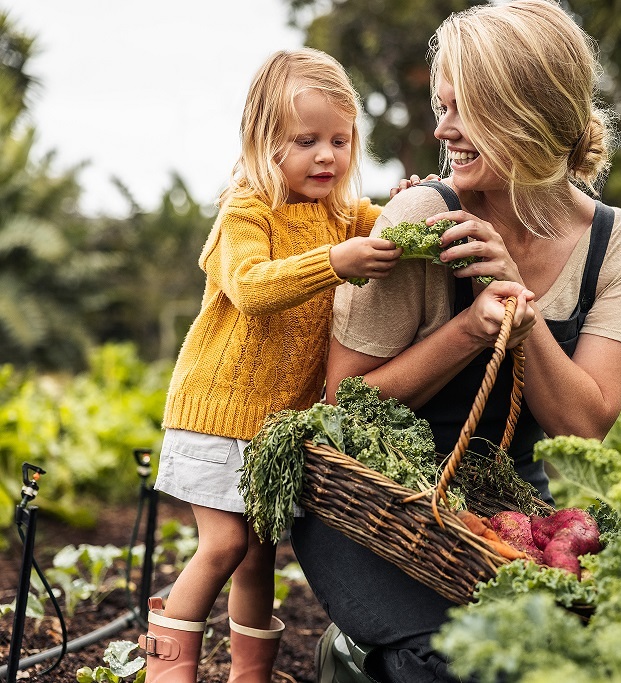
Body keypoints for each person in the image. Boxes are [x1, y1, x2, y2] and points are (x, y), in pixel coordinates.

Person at [289, 2, 621, 681]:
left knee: (585, 659)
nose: (441, 129)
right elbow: (343, 403)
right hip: (377, 506)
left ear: (525, 112)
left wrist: (520, 309)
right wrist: (468, 330)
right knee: (451, 664)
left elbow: (584, 421)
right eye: (442, 106)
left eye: (462, 110)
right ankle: (351, 654)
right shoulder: (423, 216)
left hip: (502, 510)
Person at [139, 48, 404, 683]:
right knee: (225, 546)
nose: (326, 157)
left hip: (272, 431)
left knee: (259, 559)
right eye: (306, 140)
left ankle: (248, 676)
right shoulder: (247, 211)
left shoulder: (342, 213)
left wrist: (409, 200)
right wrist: (336, 262)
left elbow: (390, 226)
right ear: (265, 142)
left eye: (340, 141)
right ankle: (167, 672)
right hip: (218, 411)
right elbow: (253, 286)